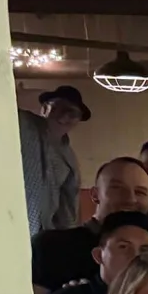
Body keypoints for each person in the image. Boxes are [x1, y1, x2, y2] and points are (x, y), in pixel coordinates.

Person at [31, 156, 148, 294]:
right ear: (95, 195)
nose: (130, 199)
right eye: (117, 188)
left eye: (140, 192)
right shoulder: (50, 245)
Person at [20, 85, 87, 237]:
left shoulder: (69, 160)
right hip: (7, 218)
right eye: (59, 108)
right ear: (45, 108)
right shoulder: (23, 125)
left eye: (73, 113)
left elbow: (68, 206)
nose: (65, 116)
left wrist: (66, 240)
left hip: (42, 232)